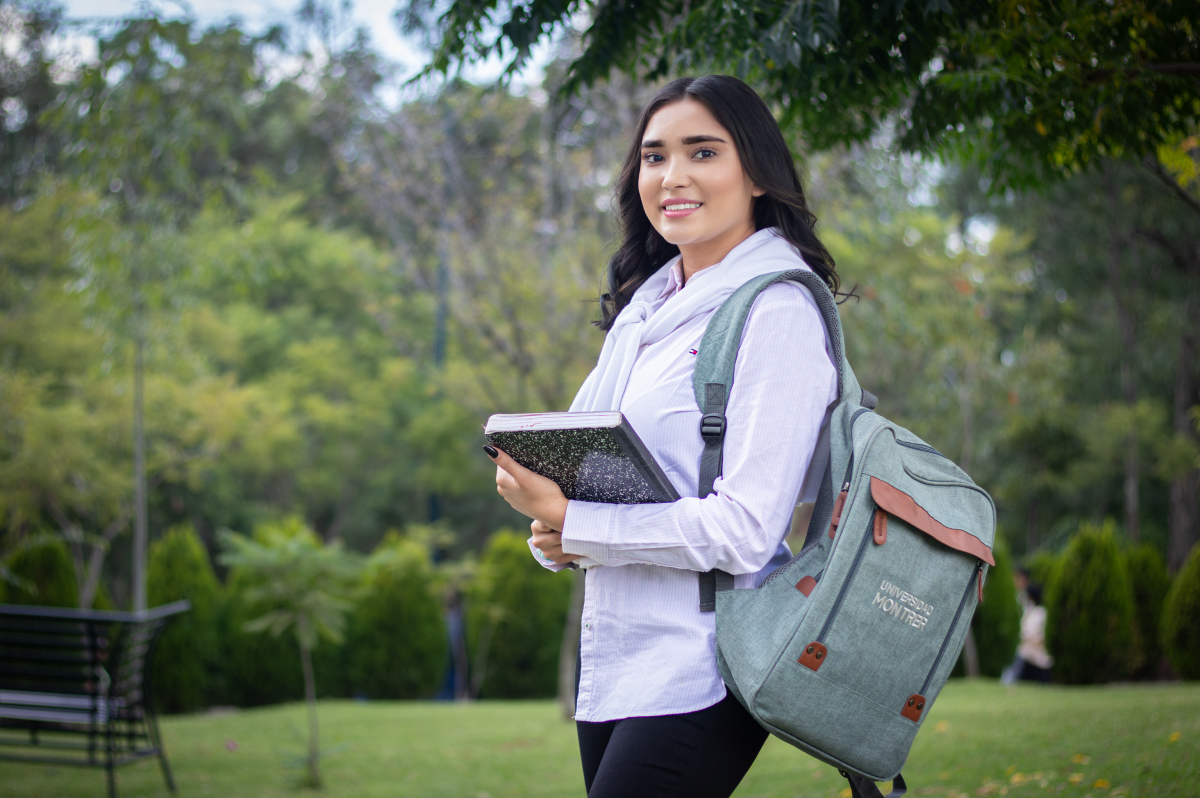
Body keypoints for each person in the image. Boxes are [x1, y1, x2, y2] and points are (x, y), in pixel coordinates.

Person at [483, 75, 841, 798]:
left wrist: (575, 522)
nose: (672, 177)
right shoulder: (643, 311)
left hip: (709, 662)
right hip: (617, 659)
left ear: (757, 173)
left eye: (702, 152)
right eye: (654, 157)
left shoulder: (777, 310)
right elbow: (599, 471)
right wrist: (554, 532)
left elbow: (745, 529)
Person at [1016, 583, 1053, 683]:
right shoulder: (1029, 610)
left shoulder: (1040, 612)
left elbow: (1034, 633)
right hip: (1027, 652)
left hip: (1036, 652)